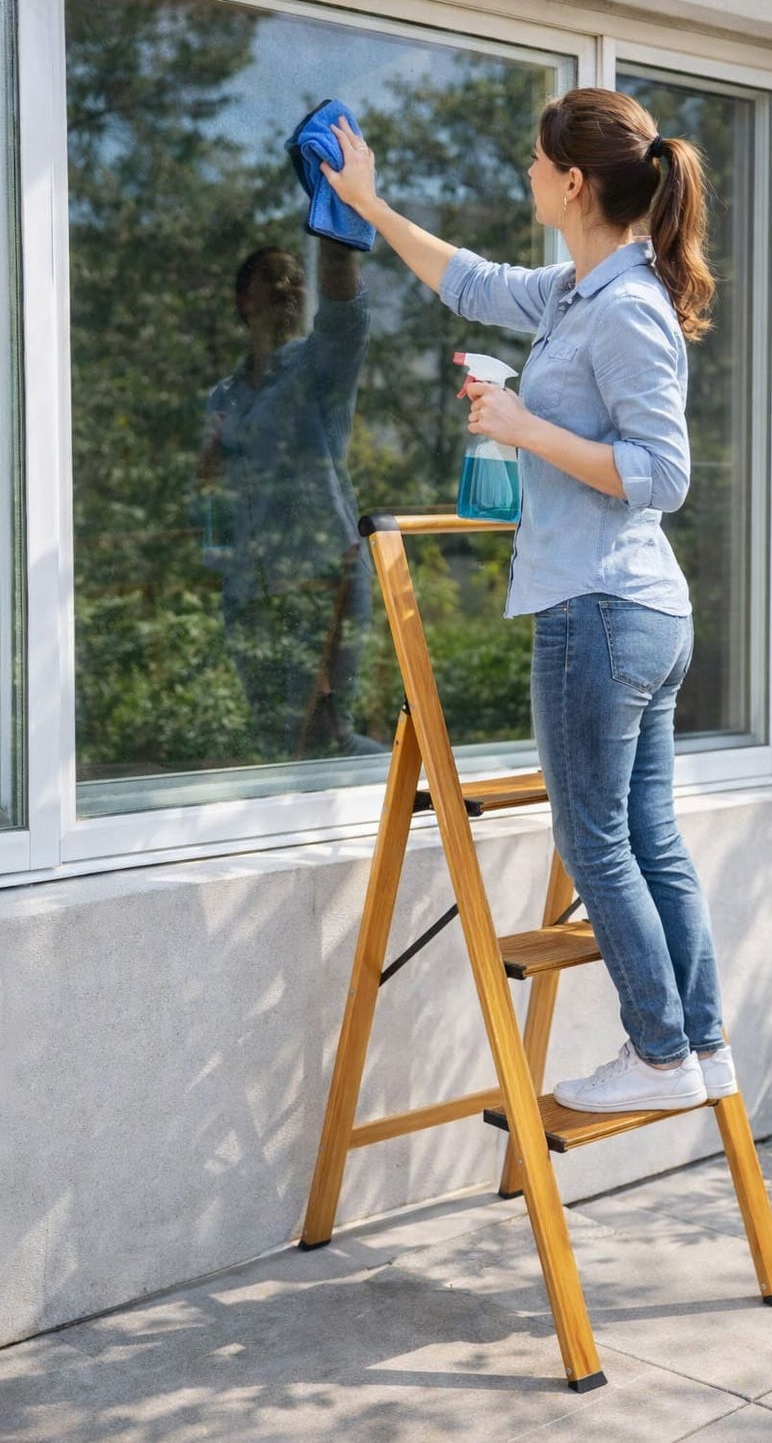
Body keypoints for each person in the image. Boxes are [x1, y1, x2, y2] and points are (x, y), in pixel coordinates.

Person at [321, 88, 737, 1114]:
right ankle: (700, 1045)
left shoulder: (629, 311)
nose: (522, 174)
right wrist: (368, 208)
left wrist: (520, 426)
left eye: (532, 161)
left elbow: (660, 473)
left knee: (595, 839)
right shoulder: (576, 291)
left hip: (598, 611)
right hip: (631, 610)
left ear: (571, 181)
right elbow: (466, 282)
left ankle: (655, 1052)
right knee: (646, 836)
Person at [197, 238, 381, 762]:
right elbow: (214, 499)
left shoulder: (317, 366)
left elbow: (345, 314)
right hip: (250, 592)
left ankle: (416, 804)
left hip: (324, 578)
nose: (287, 287)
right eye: (272, 279)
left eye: (295, 278)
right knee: (275, 737)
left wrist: (336, 232)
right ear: (243, 300)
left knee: (330, 732)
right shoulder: (224, 398)